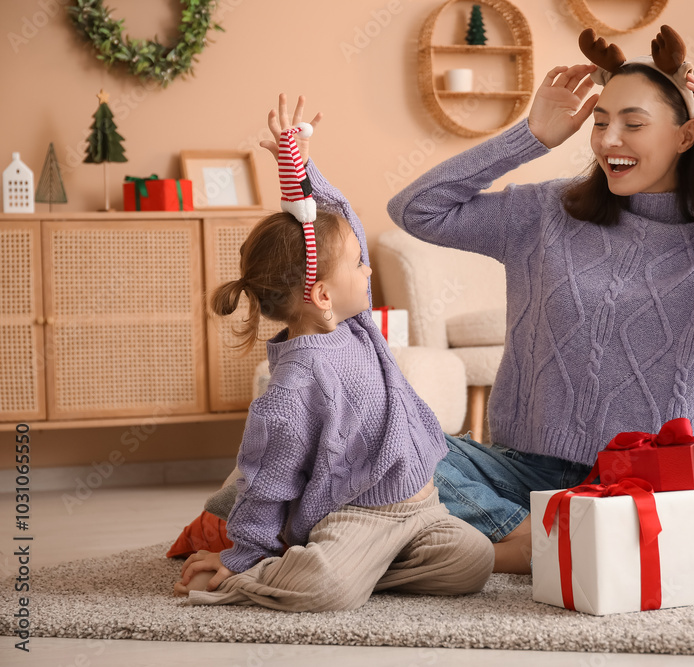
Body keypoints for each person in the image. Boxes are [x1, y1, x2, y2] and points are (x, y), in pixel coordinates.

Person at [383, 26, 694, 573]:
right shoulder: (546, 213)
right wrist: (530, 137)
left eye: (633, 124)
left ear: (688, 136)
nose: (608, 140)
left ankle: (521, 539)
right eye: (600, 122)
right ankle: (539, 539)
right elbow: (416, 210)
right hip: (522, 471)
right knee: (385, 440)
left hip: (648, 478)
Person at [173, 95, 494, 611]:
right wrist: (240, 556)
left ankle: (358, 568)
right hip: (361, 514)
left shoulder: (356, 325)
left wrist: (294, 160)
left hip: (421, 509)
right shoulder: (293, 386)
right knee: (327, 591)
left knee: (474, 561)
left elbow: (337, 216)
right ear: (322, 295)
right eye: (357, 266)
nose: (368, 269)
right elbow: (265, 479)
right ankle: (283, 571)